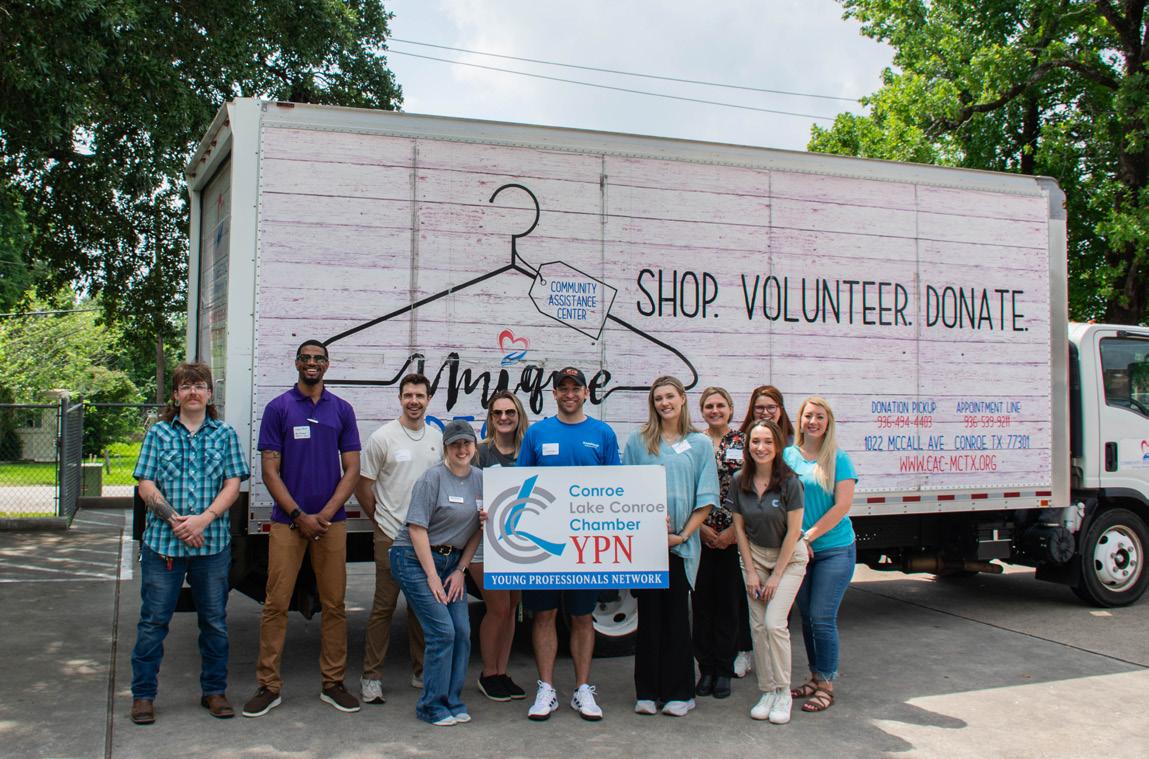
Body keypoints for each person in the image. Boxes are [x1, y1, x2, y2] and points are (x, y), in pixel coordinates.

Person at [243, 340, 362, 717]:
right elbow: (269, 471)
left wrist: (324, 514)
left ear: (327, 365)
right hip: (287, 524)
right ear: (296, 363)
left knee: (335, 605)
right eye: (306, 358)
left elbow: (352, 470)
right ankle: (268, 685)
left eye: (318, 358)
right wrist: (299, 515)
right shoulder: (278, 408)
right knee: (276, 604)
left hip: (331, 524)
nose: (312, 363)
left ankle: (333, 682)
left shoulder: (341, 410)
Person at [129, 363, 249, 725]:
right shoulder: (159, 434)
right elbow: (145, 484)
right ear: (176, 395)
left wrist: (204, 519)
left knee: (214, 623)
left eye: (199, 386)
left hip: (211, 547)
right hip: (163, 546)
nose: (193, 392)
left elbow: (233, 484)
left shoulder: (225, 435)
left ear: (210, 394)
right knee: (153, 622)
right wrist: (176, 521)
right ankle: (143, 696)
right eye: (186, 386)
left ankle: (214, 692)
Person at [517, 366, 620, 721]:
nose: (570, 394)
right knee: (544, 614)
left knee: (581, 616)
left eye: (576, 388)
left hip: (585, 544)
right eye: (563, 388)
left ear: (586, 393)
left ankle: (582, 689)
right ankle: (545, 688)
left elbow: (618, 489)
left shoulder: (602, 433)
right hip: (544, 544)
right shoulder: (537, 433)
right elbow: (520, 487)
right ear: (555, 394)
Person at [622, 375, 719, 717]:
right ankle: (647, 692)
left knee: (677, 619)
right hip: (647, 547)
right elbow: (625, 489)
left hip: (680, 545)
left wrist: (682, 535)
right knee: (649, 621)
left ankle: (680, 693)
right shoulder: (638, 441)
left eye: (669, 396)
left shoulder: (699, 443)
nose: (664, 403)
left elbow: (706, 498)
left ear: (682, 399)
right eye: (658, 398)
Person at [390, 421, 484, 726]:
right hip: (413, 559)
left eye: (466, 443)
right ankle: (431, 705)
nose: (461, 449)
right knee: (442, 631)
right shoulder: (432, 478)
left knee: (462, 632)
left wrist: (460, 570)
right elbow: (416, 529)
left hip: (452, 562)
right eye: (455, 444)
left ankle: (452, 700)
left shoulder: (481, 480)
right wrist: (432, 576)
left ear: (474, 446)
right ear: (446, 448)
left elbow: (478, 530)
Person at [358, 373, 441, 705]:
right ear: (400, 399)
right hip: (391, 536)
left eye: (420, 396)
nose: (414, 401)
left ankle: (421, 671)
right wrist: (380, 521)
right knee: (384, 607)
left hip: (426, 538)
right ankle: (371, 677)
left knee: (422, 606)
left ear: (428, 399)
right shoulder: (383, 438)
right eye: (408, 395)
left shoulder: (437, 438)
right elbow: (364, 485)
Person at [729, 420, 807, 724]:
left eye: (767, 442)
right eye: (755, 442)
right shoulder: (739, 480)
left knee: (775, 624)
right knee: (759, 628)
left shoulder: (790, 482)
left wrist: (775, 576)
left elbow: (794, 532)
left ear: (777, 447)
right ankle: (768, 690)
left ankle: (784, 691)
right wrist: (750, 571)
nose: (760, 448)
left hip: (788, 559)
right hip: (754, 558)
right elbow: (739, 529)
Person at [784, 396, 858, 714]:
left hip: (834, 549)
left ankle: (826, 685)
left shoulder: (838, 458)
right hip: (801, 550)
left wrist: (808, 537)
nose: (813, 421)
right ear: (800, 421)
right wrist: (796, 540)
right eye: (808, 416)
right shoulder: (788, 456)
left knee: (821, 617)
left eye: (819, 417)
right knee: (807, 618)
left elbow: (842, 506)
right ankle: (815, 678)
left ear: (828, 423)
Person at [470, 390, 529, 702]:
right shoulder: (480, 453)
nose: (504, 418)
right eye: (498, 413)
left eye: (510, 412)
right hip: (482, 542)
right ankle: (488, 673)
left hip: (518, 542)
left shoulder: (528, 452)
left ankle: (502, 672)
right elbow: (464, 490)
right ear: (490, 418)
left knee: (512, 607)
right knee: (498, 608)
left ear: (519, 416)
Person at [692, 387, 745, 699]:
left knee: (727, 606)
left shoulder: (742, 442)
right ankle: (706, 669)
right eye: (709, 406)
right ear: (702, 410)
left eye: (720, 405)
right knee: (701, 607)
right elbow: (688, 486)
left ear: (730, 408)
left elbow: (751, 488)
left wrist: (733, 532)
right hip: (700, 535)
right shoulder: (693, 442)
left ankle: (724, 669)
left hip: (731, 536)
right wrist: (699, 529)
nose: (715, 410)